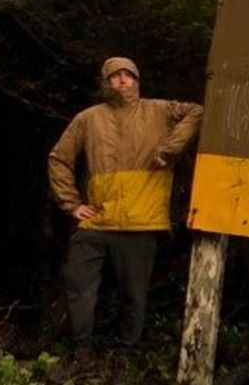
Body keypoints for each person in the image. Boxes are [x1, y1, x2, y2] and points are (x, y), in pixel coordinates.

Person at [48, 56, 203, 350]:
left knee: (133, 296)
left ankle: (124, 353)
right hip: (96, 221)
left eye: (128, 74)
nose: (122, 79)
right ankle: (81, 351)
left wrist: (169, 150)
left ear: (136, 80)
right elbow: (59, 159)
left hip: (140, 222)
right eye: (115, 75)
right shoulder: (88, 118)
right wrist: (72, 204)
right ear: (105, 82)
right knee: (78, 286)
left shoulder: (158, 111)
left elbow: (196, 112)